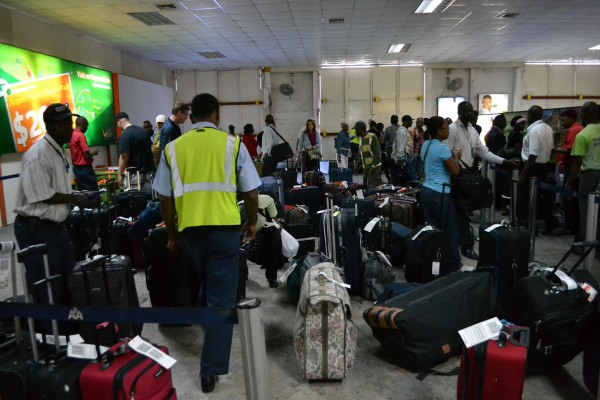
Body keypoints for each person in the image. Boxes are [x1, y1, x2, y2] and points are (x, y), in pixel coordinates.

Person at [153, 93, 261, 394]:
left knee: (207, 283)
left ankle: (206, 318)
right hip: (224, 232)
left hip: (190, 234)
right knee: (221, 303)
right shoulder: (232, 144)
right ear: (216, 114)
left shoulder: (173, 148)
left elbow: (165, 197)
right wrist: (251, 222)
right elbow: (252, 193)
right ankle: (210, 369)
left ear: (193, 116)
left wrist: (173, 236)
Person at [14, 103, 98, 305]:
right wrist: (75, 199)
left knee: (69, 279)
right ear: (49, 127)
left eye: (69, 123)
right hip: (36, 228)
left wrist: (78, 194)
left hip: (57, 228)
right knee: (46, 286)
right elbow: (41, 194)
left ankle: (69, 329)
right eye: (62, 125)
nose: (69, 128)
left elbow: (57, 188)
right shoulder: (38, 154)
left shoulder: (59, 151)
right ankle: (50, 332)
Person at [446, 101, 517, 260]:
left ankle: (463, 244)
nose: (471, 114)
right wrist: (450, 176)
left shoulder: (472, 130)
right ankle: (465, 246)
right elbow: (446, 154)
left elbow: (484, 153)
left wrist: (504, 161)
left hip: (469, 176)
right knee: (461, 213)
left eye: (472, 112)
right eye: (468, 112)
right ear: (460, 113)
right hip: (456, 176)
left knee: (467, 210)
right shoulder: (452, 130)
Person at [419, 116, 462, 272]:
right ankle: (454, 266)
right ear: (438, 131)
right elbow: (455, 171)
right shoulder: (442, 148)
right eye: (446, 128)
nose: (448, 130)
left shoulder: (426, 145)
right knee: (450, 231)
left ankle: (435, 263)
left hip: (426, 191)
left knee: (433, 231)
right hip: (440, 193)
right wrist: (456, 156)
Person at [518, 105, 558, 234]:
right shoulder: (547, 128)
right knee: (539, 198)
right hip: (543, 166)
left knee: (527, 198)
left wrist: (523, 175)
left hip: (532, 167)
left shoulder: (534, 130)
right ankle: (548, 222)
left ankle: (531, 227)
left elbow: (533, 155)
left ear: (530, 115)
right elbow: (551, 148)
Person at [566, 102, 600, 247]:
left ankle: (587, 246)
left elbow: (576, 163)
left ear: (586, 114)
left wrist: (569, 182)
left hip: (590, 176)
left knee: (587, 212)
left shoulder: (583, 135)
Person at [555, 109, 584, 237]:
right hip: (572, 168)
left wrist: (557, 150)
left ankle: (570, 227)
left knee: (569, 199)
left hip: (570, 168)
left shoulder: (574, 130)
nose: (561, 123)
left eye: (563, 120)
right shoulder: (578, 129)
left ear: (572, 119)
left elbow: (572, 152)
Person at [245, 194, 283, 288]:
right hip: (254, 226)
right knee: (274, 245)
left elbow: (274, 219)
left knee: (238, 253)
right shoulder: (267, 199)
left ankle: (243, 275)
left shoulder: (239, 201)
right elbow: (275, 220)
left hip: (245, 226)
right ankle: (272, 278)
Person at [116, 112, 156, 190]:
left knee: (134, 200)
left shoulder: (125, 135)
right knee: (150, 200)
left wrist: (120, 174)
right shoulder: (143, 131)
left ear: (119, 121)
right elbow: (151, 149)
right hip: (150, 174)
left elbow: (124, 157)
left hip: (135, 176)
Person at [69, 116, 100, 193]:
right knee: (93, 192)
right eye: (87, 127)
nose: (86, 129)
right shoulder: (80, 136)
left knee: (83, 192)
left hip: (76, 168)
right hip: (85, 169)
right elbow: (86, 156)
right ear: (84, 125)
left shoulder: (71, 134)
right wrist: (94, 152)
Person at [485, 114, 508, 211]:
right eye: (504, 121)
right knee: (498, 184)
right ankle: (497, 204)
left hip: (491, 162)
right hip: (497, 162)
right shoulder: (498, 134)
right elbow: (500, 151)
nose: (505, 123)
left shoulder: (491, 132)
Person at [355, 120, 382, 191]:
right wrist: (357, 166)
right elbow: (362, 155)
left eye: (356, 129)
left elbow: (377, 153)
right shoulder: (361, 139)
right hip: (366, 168)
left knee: (372, 188)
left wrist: (374, 166)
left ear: (361, 129)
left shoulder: (372, 137)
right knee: (366, 188)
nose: (355, 131)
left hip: (374, 167)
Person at [383, 115, 401, 181]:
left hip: (390, 150)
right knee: (398, 165)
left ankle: (393, 180)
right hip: (399, 149)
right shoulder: (400, 128)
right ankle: (399, 179)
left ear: (391, 121)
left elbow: (384, 139)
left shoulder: (388, 129)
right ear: (397, 120)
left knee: (392, 165)